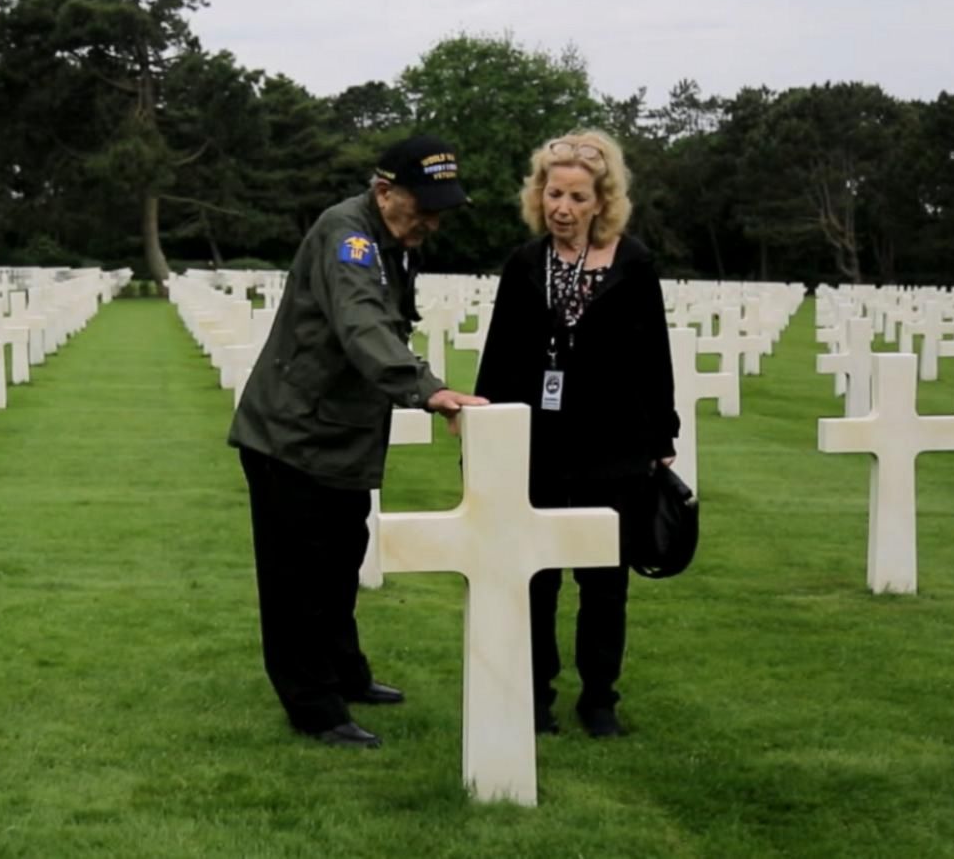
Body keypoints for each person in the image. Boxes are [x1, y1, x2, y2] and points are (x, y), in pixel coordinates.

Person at [229, 134, 489, 749]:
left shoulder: (394, 241)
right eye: (420, 206)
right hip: (293, 435)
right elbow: (361, 322)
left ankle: (345, 675)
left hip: (340, 435)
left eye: (439, 209)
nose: (430, 220)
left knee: (340, 563)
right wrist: (426, 388)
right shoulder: (346, 234)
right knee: (298, 581)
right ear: (383, 190)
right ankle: (314, 708)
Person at [473, 130, 678, 739]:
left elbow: (653, 357)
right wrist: (484, 431)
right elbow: (501, 353)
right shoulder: (524, 264)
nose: (562, 207)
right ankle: (534, 696)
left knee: (604, 580)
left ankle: (599, 699)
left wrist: (660, 436)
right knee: (535, 577)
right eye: (553, 193)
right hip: (536, 446)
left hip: (613, 446)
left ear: (601, 201)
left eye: (577, 197)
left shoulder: (633, 263)